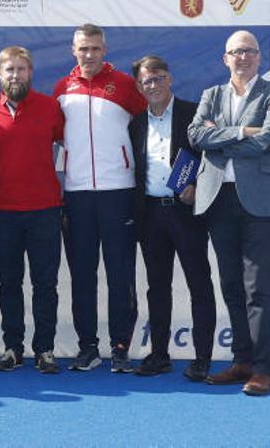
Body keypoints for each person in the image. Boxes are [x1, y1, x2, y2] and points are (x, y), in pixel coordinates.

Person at [54, 23, 146, 373]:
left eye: (94, 48)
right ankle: (87, 346)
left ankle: (120, 346)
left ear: (104, 50)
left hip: (118, 192)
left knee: (120, 273)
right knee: (82, 275)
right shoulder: (62, 88)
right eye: (82, 49)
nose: (88, 54)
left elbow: (149, 130)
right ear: (73, 50)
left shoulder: (125, 85)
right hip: (77, 195)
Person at [188, 30, 270, 396]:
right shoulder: (211, 95)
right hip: (217, 199)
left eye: (249, 51)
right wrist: (243, 131)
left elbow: (267, 141)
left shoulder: (268, 94)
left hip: (257, 201)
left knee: (258, 288)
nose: (243, 57)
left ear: (259, 57)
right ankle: (242, 361)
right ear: (225, 58)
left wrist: (221, 134)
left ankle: (263, 368)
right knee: (231, 285)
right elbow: (196, 136)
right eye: (236, 52)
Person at [0, 46, 64, 374]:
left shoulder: (50, 107)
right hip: (2, 212)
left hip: (45, 210)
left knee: (46, 284)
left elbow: (72, 145)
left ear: (31, 72)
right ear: (0, 75)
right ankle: (12, 347)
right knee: (9, 284)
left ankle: (45, 350)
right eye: (9, 70)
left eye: (21, 69)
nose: (15, 75)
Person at [128, 55, 215, 380]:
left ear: (170, 79)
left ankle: (202, 358)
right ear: (139, 86)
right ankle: (159, 355)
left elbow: (214, 160)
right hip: (150, 214)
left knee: (199, 284)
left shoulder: (194, 115)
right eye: (147, 81)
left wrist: (198, 186)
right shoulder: (135, 123)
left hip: (186, 214)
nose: (154, 85)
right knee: (157, 287)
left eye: (159, 77)